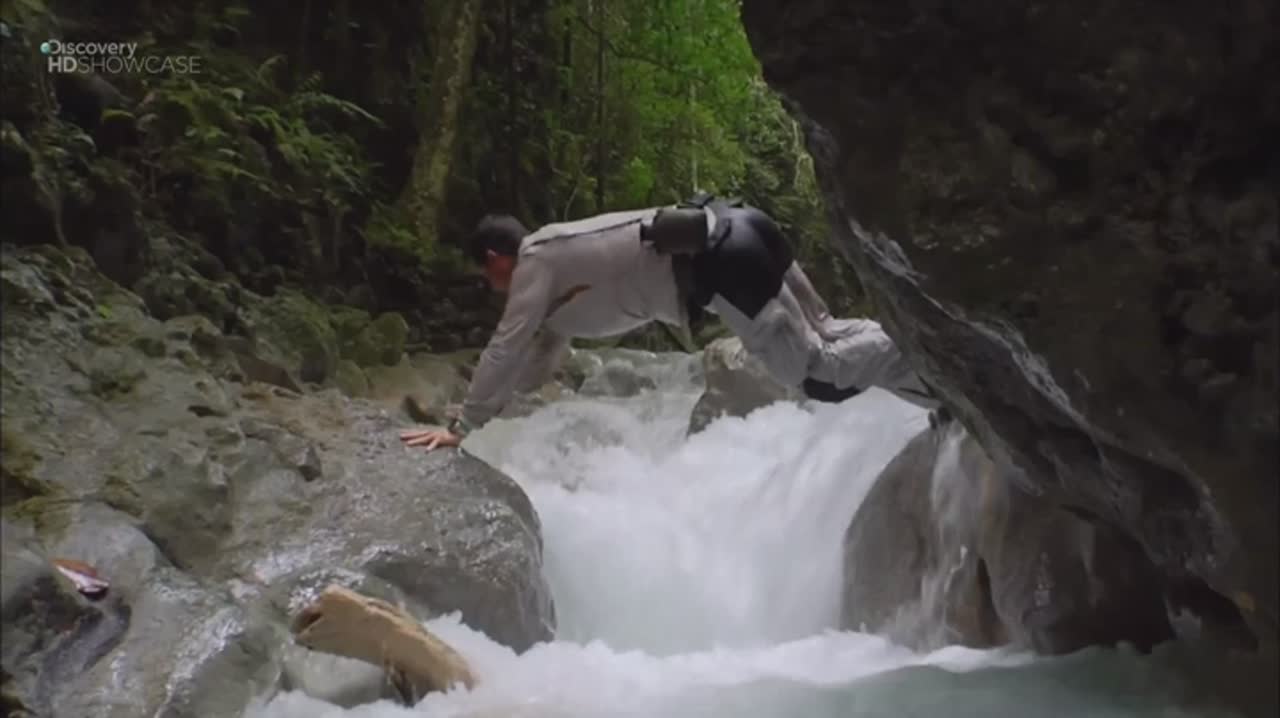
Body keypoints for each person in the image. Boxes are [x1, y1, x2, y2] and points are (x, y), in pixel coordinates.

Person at [401, 195, 940, 451]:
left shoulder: (536, 259)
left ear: (496, 258)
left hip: (722, 261)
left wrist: (461, 431)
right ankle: (943, 393)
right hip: (739, 226)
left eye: (488, 275)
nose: (492, 286)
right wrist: (478, 413)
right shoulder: (560, 275)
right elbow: (539, 359)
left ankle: (939, 359)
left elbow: (506, 345)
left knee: (818, 376)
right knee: (830, 333)